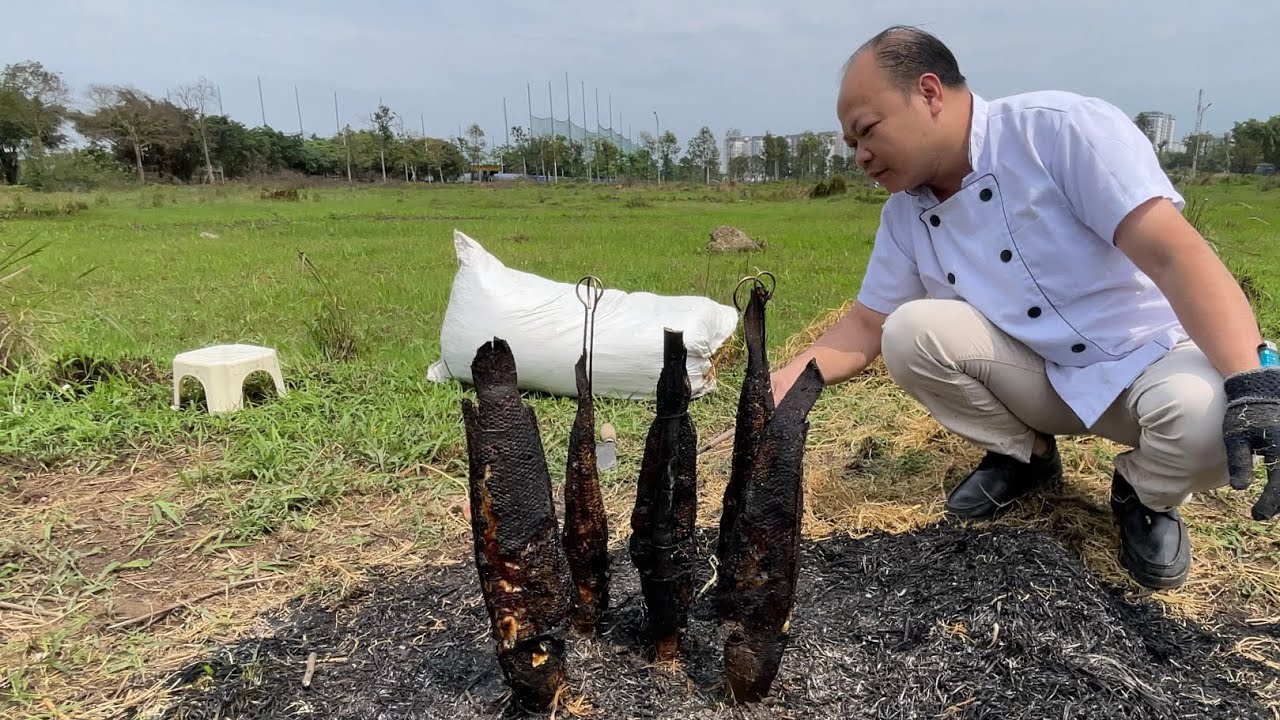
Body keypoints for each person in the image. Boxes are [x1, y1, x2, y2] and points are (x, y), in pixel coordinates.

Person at [769, 25, 1280, 590]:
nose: (861, 157)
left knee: (1209, 422)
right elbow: (866, 325)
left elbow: (1172, 255)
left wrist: (1251, 380)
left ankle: (1143, 491)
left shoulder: (1057, 130)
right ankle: (1026, 457)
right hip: (1035, 376)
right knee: (909, 332)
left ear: (930, 93)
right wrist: (777, 389)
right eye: (851, 146)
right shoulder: (905, 214)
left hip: (1145, 362)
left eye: (867, 132)